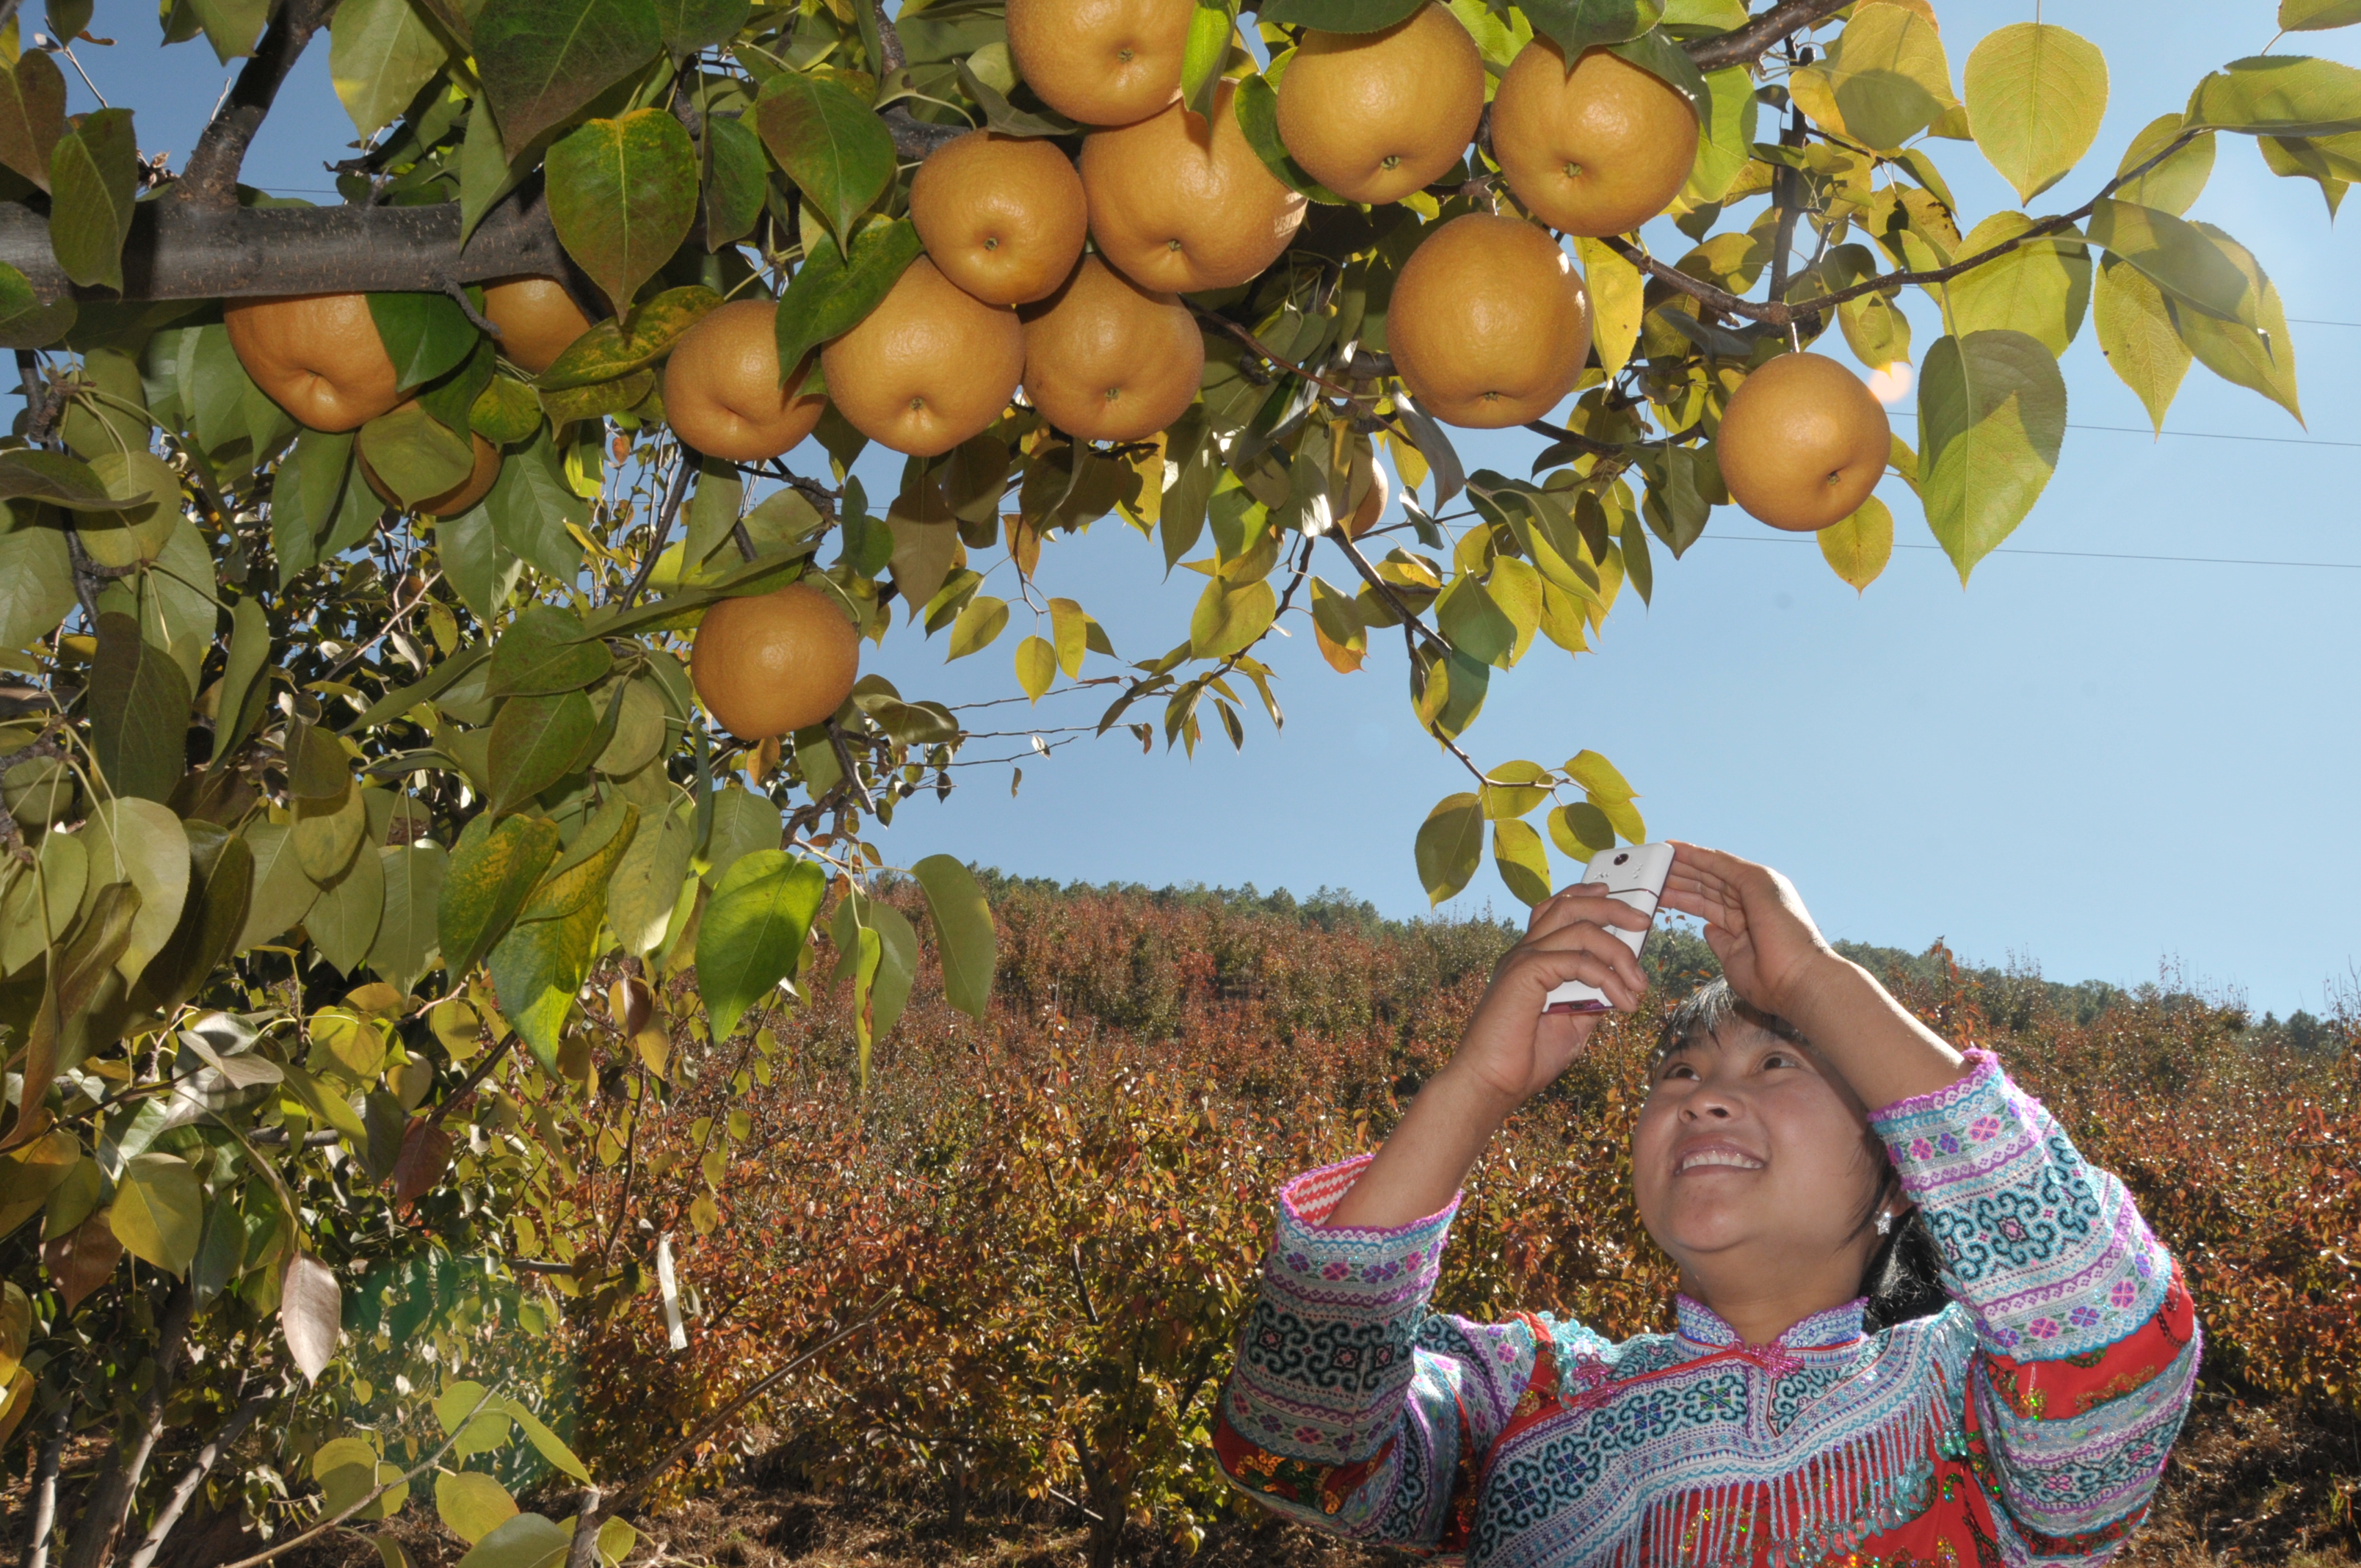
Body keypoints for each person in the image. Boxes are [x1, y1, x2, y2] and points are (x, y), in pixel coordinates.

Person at [1214, 844, 2197, 1567]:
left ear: (1904, 1169)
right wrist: (1476, 1085)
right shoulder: (1526, 1397)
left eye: (1778, 1064)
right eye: (1679, 1073)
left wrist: (1816, 980)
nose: (1705, 1098)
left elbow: (2111, 1328)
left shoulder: (1972, 1406)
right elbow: (1294, 1445)